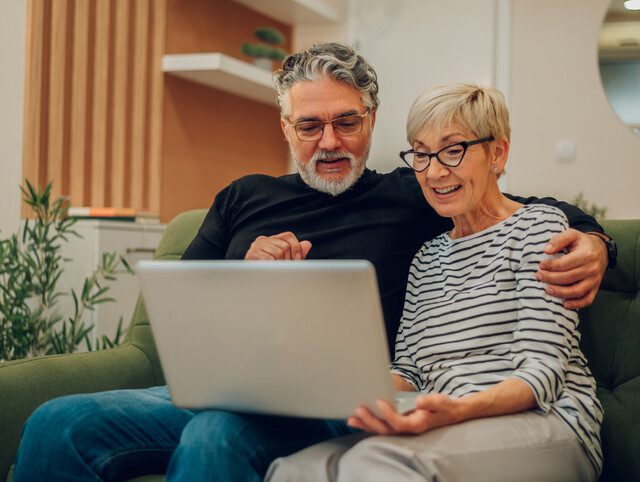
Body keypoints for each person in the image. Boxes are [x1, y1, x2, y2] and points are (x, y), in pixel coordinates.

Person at [13, 44, 610, 482]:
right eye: (310, 125)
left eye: (346, 122)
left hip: (332, 402)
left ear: (370, 121)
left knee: (216, 436)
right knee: (55, 421)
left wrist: (595, 240)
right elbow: (181, 308)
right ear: (285, 127)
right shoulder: (241, 197)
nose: (329, 141)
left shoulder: (414, 192)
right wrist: (242, 275)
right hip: (217, 387)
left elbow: (514, 209)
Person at [267, 84, 602, 482]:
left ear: (497, 153)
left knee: (374, 463)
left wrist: (457, 410)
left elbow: (542, 374)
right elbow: (408, 370)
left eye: (454, 150)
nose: (435, 171)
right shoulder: (427, 256)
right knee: (295, 468)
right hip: (446, 421)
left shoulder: (538, 228)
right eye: (421, 154)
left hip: (548, 422)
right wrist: (346, 390)